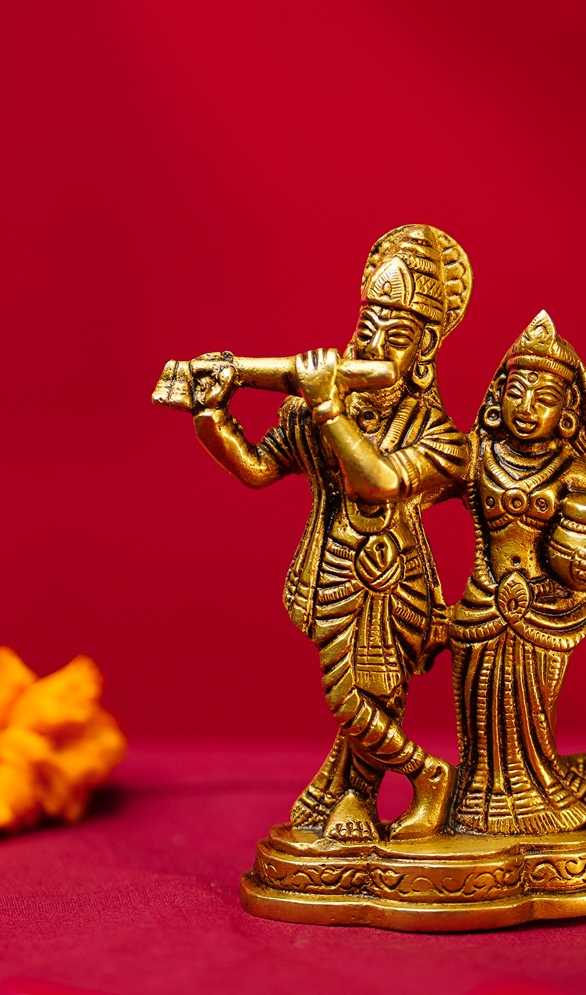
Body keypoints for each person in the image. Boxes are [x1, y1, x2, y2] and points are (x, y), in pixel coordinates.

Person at [190, 225, 471, 841]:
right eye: (368, 328)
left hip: (391, 580)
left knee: (362, 695)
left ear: (423, 351)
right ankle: (352, 798)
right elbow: (259, 469)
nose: (374, 345)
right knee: (352, 695)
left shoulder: (440, 437)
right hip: (327, 567)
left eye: (396, 337)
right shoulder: (312, 412)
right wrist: (211, 414)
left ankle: (423, 777)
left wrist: (328, 406)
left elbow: (380, 482)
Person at [449, 312, 586, 834]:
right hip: (483, 605)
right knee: (478, 707)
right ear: (498, 397)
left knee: (531, 706)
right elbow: (414, 480)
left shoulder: (576, 470)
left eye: (544, 398)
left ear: (567, 412)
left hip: (544, 609)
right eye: (517, 393)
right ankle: (479, 795)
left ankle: (539, 791)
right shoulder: (477, 456)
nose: (526, 408)